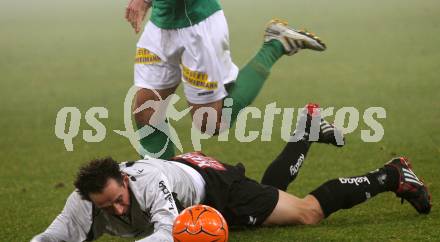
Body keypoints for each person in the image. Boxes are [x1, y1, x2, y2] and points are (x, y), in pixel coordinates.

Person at [31, 104, 432, 242]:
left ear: (125, 180)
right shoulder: (85, 201)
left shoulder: (146, 182)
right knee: (269, 197)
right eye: (107, 207)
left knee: (305, 213)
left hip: (216, 189)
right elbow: (55, 235)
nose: (117, 210)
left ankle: (392, 174)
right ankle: (307, 131)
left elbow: (172, 232)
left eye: (119, 200)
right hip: (191, 171)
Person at [125, 0, 326, 159]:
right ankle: (163, 187)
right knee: (146, 112)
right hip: (161, 24)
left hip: (198, 27)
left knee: (210, 123)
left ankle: (275, 45)